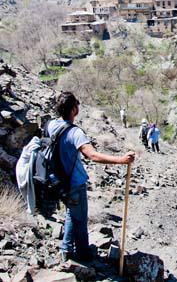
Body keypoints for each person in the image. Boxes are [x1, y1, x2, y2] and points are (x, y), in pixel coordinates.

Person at [47, 92, 135, 262]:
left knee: (72, 214)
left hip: (57, 181)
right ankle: (83, 255)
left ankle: (66, 249)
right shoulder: (75, 132)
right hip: (74, 183)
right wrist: (121, 160)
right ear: (74, 109)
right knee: (80, 219)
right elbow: (92, 155)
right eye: (77, 105)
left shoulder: (51, 125)